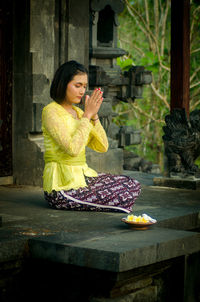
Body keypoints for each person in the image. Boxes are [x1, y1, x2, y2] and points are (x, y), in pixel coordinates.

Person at [42, 60, 141, 213]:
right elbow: (73, 149)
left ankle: (118, 203)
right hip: (61, 187)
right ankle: (119, 204)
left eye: (84, 86)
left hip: (83, 178)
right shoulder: (51, 112)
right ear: (63, 84)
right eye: (77, 85)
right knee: (124, 196)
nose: (82, 91)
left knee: (132, 184)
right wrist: (87, 116)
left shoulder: (80, 113)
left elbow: (102, 146)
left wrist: (94, 116)